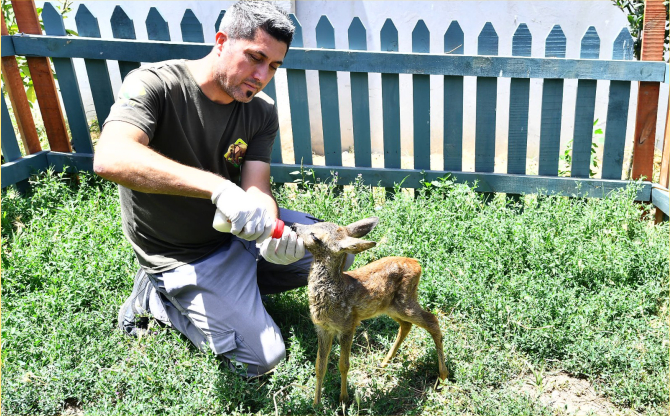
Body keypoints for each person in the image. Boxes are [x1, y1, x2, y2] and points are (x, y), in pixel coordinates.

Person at [94, 1, 351, 377]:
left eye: (274, 66)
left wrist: (266, 225)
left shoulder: (260, 109)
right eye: (255, 57)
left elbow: (256, 186)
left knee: (336, 254)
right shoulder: (155, 84)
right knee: (262, 360)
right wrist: (218, 189)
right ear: (221, 41)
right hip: (182, 254)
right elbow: (111, 156)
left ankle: (237, 290)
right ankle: (157, 297)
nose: (262, 75)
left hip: (235, 235)